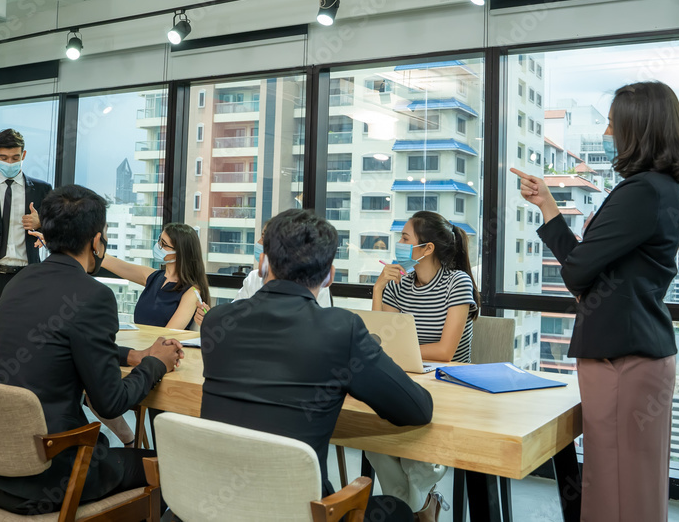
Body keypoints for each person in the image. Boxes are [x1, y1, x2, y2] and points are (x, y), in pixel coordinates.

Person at [511, 81, 679, 522]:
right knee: (636, 485)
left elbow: (577, 270)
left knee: (614, 486)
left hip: (621, 357)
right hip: (639, 351)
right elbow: (586, 269)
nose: (607, 133)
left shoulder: (641, 191)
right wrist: (549, 208)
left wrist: (568, 242)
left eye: (614, 123)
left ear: (638, 127)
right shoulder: (664, 188)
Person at [200, 209, 433, 522]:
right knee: (399, 513)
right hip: (299, 511)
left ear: (266, 261)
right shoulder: (341, 329)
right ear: (330, 275)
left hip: (215, 505)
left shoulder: (217, 321)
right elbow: (417, 410)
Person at [0, 184, 183, 515]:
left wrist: (131, 356)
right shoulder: (93, 295)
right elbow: (111, 401)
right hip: (52, 473)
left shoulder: (19, 282)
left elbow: (57, 340)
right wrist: (156, 364)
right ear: (97, 241)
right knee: (172, 468)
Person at [366, 211, 480, 519]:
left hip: (448, 387)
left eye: (405, 238)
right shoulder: (397, 283)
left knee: (417, 454)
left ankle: (412, 509)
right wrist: (378, 289)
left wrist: (401, 350)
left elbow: (445, 352)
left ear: (427, 248)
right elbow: (379, 342)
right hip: (406, 382)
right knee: (371, 437)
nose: (399, 244)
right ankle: (423, 508)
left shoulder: (457, 282)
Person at [193, 219, 330, 326]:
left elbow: (318, 329)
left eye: (264, 237)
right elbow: (233, 317)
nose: (258, 242)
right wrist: (211, 319)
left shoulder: (314, 283)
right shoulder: (253, 278)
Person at [0, 128, 52, 296]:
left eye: (15, 158)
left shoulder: (43, 190)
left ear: (24, 155)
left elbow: (58, 230)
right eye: (4, 158)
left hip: (28, 274)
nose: (10, 163)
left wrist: (42, 223)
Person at [100, 223, 209, 330]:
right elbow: (110, 262)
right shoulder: (153, 277)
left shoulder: (191, 292)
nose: (158, 246)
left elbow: (167, 335)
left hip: (160, 347)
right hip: (139, 344)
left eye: (164, 244)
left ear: (180, 253)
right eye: (159, 240)